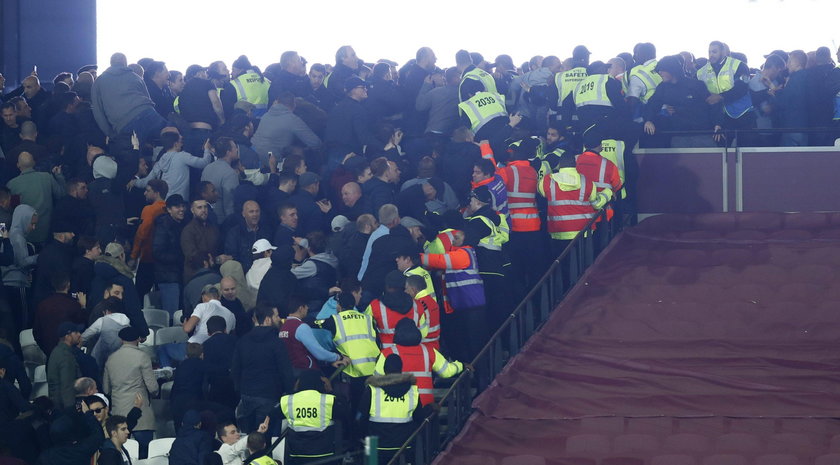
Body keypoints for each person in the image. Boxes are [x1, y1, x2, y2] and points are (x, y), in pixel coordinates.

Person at [231, 304, 294, 433]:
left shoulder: (243, 341)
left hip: (246, 396)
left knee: (248, 437)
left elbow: (235, 369)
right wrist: (289, 392)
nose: (279, 319)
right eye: (276, 316)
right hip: (269, 396)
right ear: (267, 319)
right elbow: (285, 371)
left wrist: (240, 390)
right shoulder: (277, 343)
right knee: (266, 436)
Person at [374, 319, 463, 406]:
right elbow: (447, 372)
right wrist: (460, 365)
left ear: (397, 334)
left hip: (401, 403)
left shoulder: (387, 353)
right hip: (426, 404)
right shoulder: (429, 351)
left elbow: (377, 378)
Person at [358, 354, 428, 462]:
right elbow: (419, 417)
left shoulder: (372, 390)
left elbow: (361, 418)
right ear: (401, 369)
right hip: (404, 445)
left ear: (385, 370)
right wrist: (430, 408)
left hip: (374, 445)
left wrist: (359, 437)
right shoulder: (412, 391)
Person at [103, 326, 158, 457]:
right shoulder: (142, 357)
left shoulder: (111, 359)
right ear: (138, 339)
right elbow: (153, 387)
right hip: (141, 413)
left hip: (118, 413)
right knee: (144, 454)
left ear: (121, 340)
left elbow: (106, 389)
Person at [91, 52, 167, 144]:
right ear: (125, 63)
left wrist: (111, 134)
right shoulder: (135, 77)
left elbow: (98, 112)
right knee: (169, 137)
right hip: (147, 113)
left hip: (124, 124)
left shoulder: (98, 82)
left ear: (111, 63)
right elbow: (148, 98)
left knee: (136, 153)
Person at [643, 55, 717, 148]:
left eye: (662, 70)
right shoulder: (662, 88)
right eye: (658, 70)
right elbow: (652, 105)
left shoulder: (696, 85)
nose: (659, 73)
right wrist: (649, 120)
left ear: (672, 69)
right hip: (679, 136)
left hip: (702, 134)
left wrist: (718, 124)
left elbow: (713, 103)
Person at [278, 370, 348, 465]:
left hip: (297, 454)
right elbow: (345, 413)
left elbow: (272, 416)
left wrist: (294, 390)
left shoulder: (289, 400)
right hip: (324, 453)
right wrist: (331, 390)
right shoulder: (327, 400)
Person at [697, 41, 755, 146]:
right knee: (721, 149)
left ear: (723, 51)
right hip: (719, 116)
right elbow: (699, 93)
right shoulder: (701, 71)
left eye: (714, 51)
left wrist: (720, 97)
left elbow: (742, 88)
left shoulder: (739, 65)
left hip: (743, 113)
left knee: (746, 149)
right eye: (709, 52)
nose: (711, 55)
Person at [6, 151, 65, 244]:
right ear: (34, 162)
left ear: (18, 165)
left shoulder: (12, 185)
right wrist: (59, 176)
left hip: (26, 235)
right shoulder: (47, 177)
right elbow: (61, 194)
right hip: (47, 231)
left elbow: (12, 209)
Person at [278, 295, 346, 373]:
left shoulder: (283, 327)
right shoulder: (301, 327)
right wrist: (338, 357)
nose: (307, 308)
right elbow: (319, 353)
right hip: (307, 371)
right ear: (301, 308)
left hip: (291, 370)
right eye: (306, 306)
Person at [134, 133, 213, 200]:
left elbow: (146, 182)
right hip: (179, 203)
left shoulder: (160, 162)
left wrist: (133, 182)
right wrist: (207, 149)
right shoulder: (183, 156)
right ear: (175, 144)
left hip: (164, 204)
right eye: (180, 141)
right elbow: (204, 163)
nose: (182, 144)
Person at [251, 91, 321, 164]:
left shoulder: (266, 115)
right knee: (299, 152)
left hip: (253, 154)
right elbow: (315, 143)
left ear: (277, 102)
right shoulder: (292, 119)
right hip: (272, 162)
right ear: (294, 105)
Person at [366, 271, 427, 349]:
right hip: (412, 353)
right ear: (405, 286)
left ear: (387, 286)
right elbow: (424, 333)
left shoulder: (375, 306)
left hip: (387, 355)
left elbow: (367, 331)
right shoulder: (418, 305)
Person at [34, 272, 86, 356]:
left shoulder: (42, 305)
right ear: (68, 285)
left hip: (49, 352)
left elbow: (36, 332)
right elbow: (82, 326)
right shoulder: (73, 305)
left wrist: (47, 350)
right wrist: (83, 307)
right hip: (69, 353)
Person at [131, 179, 167, 298]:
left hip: (148, 257)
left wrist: (133, 256)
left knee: (139, 294)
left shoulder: (149, 210)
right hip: (165, 261)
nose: (144, 193)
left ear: (156, 193)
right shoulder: (169, 209)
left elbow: (142, 233)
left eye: (147, 190)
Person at [153, 194, 188, 314]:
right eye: (177, 207)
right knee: (172, 314)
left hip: (178, 274)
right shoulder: (163, 227)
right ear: (168, 209)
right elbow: (157, 252)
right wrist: (179, 258)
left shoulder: (182, 224)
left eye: (183, 206)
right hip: (167, 276)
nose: (181, 209)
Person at [292, 231, 338, 311]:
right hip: (326, 303)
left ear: (308, 248)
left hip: (313, 305)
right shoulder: (331, 259)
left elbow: (291, 274)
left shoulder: (312, 265)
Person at [181, 199, 225, 280]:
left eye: (205, 207)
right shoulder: (188, 230)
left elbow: (219, 247)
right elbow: (191, 255)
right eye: (199, 207)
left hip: (214, 272)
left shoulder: (213, 227)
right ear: (192, 210)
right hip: (195, 275)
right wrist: (213, 260)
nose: (203, 210)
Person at [83, 297, 129, 370]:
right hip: (120, 361)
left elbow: (85, 336)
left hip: (100, 360)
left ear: (106, 311)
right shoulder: (127, 322)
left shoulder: (103, 320)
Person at [201, 137, 241, 222]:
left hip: (206, 216)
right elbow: (230, 204)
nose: (237, 149)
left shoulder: (207, 168)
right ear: (228, 152)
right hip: (222, 220)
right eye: (234, 148)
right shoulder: (230, 173)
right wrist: (231, 224)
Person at [224, 201, 271, 272]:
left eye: (257, 211)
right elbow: (232, 257)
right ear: (243, 214)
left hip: (265, 269)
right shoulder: (234, 233)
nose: (255, 214)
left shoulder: (266, 230)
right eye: (251, 212)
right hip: (244, 271)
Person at [46, 322, 82, 410]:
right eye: (76, 332)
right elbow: (67, 385)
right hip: (64, 406)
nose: (79, 335)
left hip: (57, 403)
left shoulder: (56, 351)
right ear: (67, 336)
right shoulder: (65, 356)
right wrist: (70, 410)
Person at [289, 172, 331, 236]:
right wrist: (329, 213)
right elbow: (316, 233)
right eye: (318, 185)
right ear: (313, 186)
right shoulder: (314, 208)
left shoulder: (290, 200)